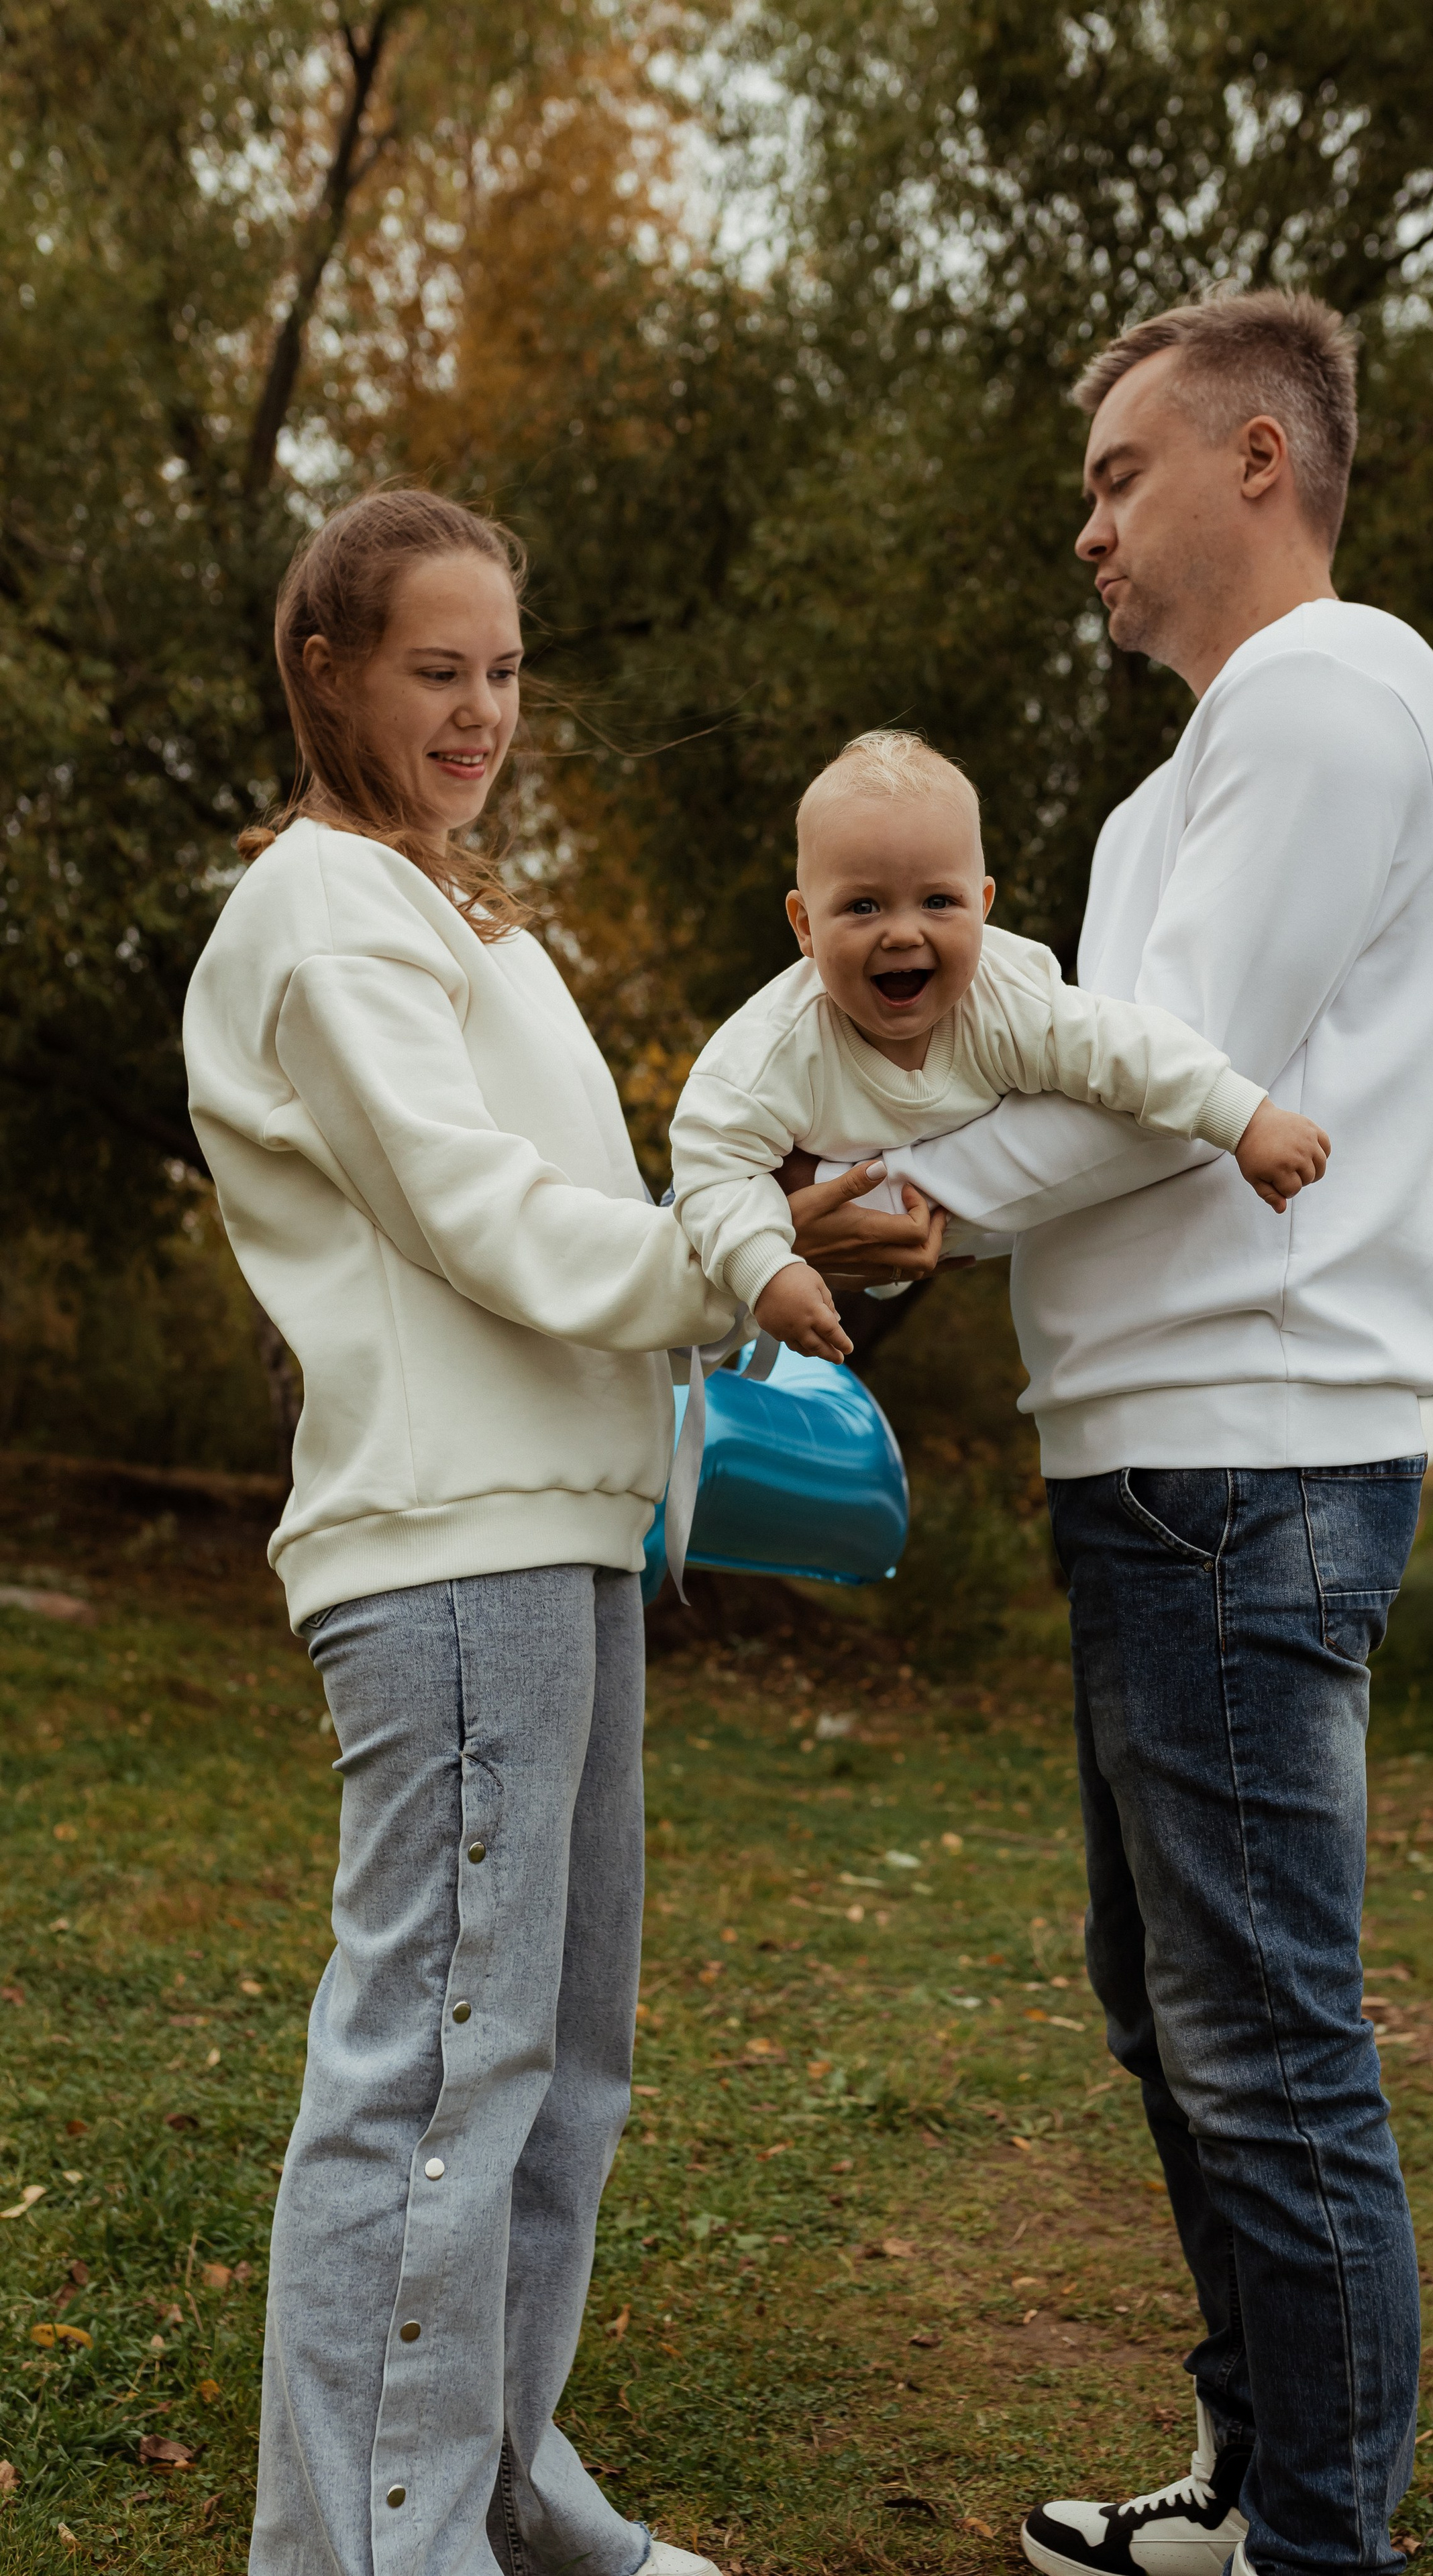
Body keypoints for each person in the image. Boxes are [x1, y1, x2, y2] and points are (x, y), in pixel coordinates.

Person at [180, 488, 909, 2576]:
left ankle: (499, 2483)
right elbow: (479, 1221)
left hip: (564, 1535)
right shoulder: (323, 914)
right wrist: (738, 1258)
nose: (484, 708)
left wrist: (805, 1224)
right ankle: (364, 2545)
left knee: (556, 2067)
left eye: (504, 669)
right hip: (445, 1549)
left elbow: (611, 1207)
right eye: (438, 668)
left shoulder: (455, 914)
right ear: (328, 669)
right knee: (433, 2077)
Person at [888, 292, 1433, 2576]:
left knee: (1265, 2045)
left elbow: (1174, 1103)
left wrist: (896, 1219)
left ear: (1260, 457)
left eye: (1119, 477)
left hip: (1252, 1456)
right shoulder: (1185, 776)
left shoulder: (1333, 693)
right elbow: (1088, 1080)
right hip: (1155, 1456)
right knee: (1181, 2017)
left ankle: (1324, 2548)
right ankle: (1257, 2488)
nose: (1088, 529)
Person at [668, 729, 1330, 1363]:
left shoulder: (1007, 1001)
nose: (902, 933)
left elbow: (1125, 1051)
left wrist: (1245, 1118)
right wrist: (767, 1270)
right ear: (805, 925)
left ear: (983, 906)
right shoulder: (768, 1052)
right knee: (698, 1235)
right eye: (863, 907)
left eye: (937, 901)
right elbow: (710, 1164)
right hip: (752, 1223)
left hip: (882, 1218)